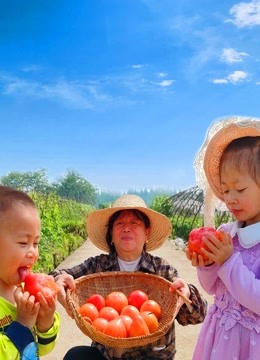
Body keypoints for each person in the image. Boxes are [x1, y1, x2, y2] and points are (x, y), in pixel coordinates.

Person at [51, 194, 207, 360]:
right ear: (111, 234)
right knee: (77, 356)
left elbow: (198, 315)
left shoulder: (162, 270)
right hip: (107, 355)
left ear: (147, 233)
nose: (127, 228)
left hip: (151, 356)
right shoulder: (98, 266)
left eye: (134, 223)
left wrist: (188, 293)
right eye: (120, 223)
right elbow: (57, 275)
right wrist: (58, 281)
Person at [187, 116, 260, 359]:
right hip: (219, 336)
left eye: (239, 189)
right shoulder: (227, 232)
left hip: (249, 346)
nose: (230, 198)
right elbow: (212, 289)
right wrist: (207, 264)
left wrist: (228, 261)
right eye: (225, 189)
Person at [0, 185, 60, 359]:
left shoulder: (26, 290)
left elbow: (42, 350)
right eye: (23, 243)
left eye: (36, 243)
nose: (33, 252)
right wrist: (24, 323)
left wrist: (45, 322)